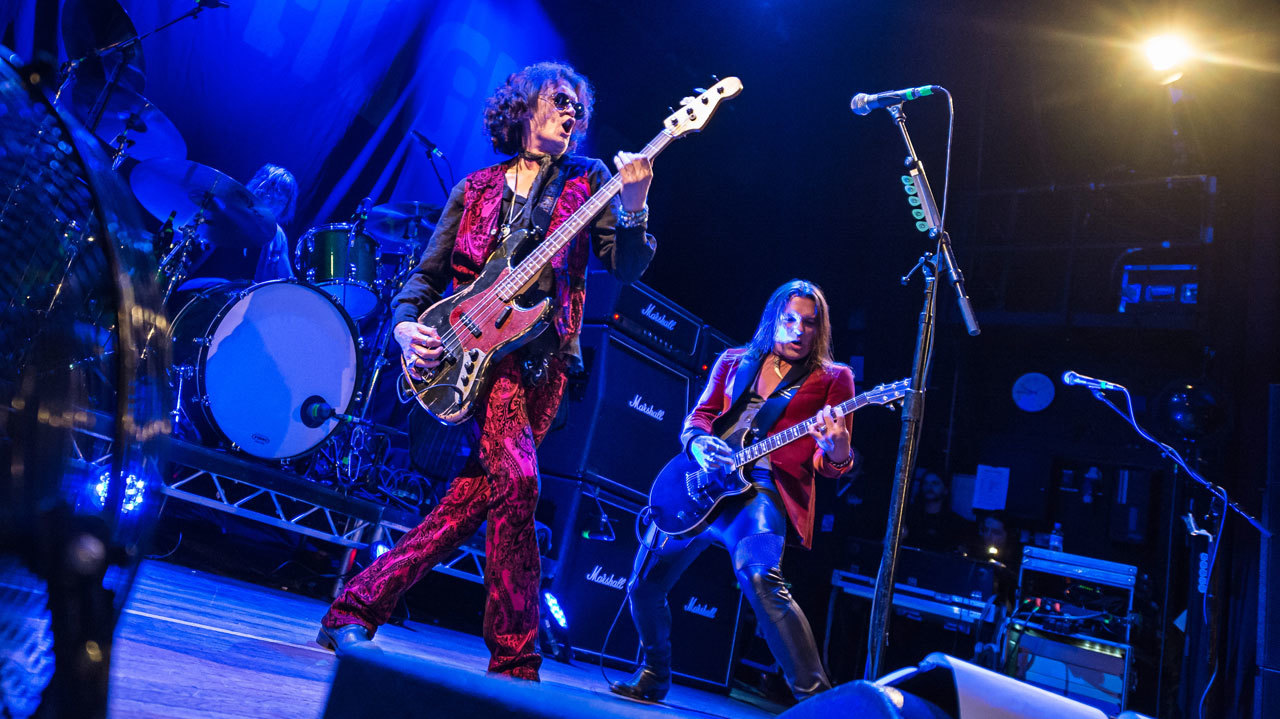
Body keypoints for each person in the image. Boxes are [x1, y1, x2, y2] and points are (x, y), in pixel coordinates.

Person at [317, 61, 656, 681]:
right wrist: (402, 327)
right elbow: (424, 277)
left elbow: (626, 266)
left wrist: (633, 206)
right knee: (521, 482)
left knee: (466, 505)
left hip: (543, 364)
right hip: (470, 355)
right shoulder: (473, 189)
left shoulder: (592, 182)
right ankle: (516, 662)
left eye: (579, 105)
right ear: (524, 107)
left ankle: (352, 607)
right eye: (559, 99)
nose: (571, 111)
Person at [611, 279, 855, 703]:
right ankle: (654, 673)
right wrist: (699, 444)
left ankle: (820, 703)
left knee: (760, 575)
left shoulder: (834, 379)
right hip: (702, 485)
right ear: (774, 318)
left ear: (821, 330)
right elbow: (699, 418)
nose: (798, 330)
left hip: (761, 491)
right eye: (790, 319)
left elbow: (828, 465)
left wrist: (838, 451)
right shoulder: (734, 359)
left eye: (809, 324)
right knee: (643, 584)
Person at [185, 163, 298, 283]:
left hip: (250, 297)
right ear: (258, 190)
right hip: (206, 287)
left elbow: (286, 276)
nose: (275, 205)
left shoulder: (278, 236)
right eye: (271, 196)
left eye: (281, 201)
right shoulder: (226, 211)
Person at [901, 467, 971, 554]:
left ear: (945, 490)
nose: (929, 487)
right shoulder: (908, 516)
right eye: (925, 483)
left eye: (935, 483)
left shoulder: (955, 523)